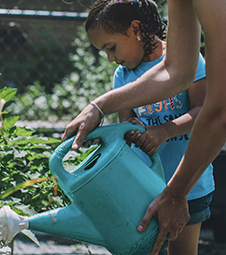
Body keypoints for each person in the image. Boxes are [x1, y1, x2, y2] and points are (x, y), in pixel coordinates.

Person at [61, 0, 226, 254]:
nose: (110, 58)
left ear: (135, 28)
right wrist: (100, 112)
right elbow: (177, 72)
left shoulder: (198, 53)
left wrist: (165, 133)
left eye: (111, 47)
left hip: (190, 185)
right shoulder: (122, 75)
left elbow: (215, 112)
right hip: (146, 185)